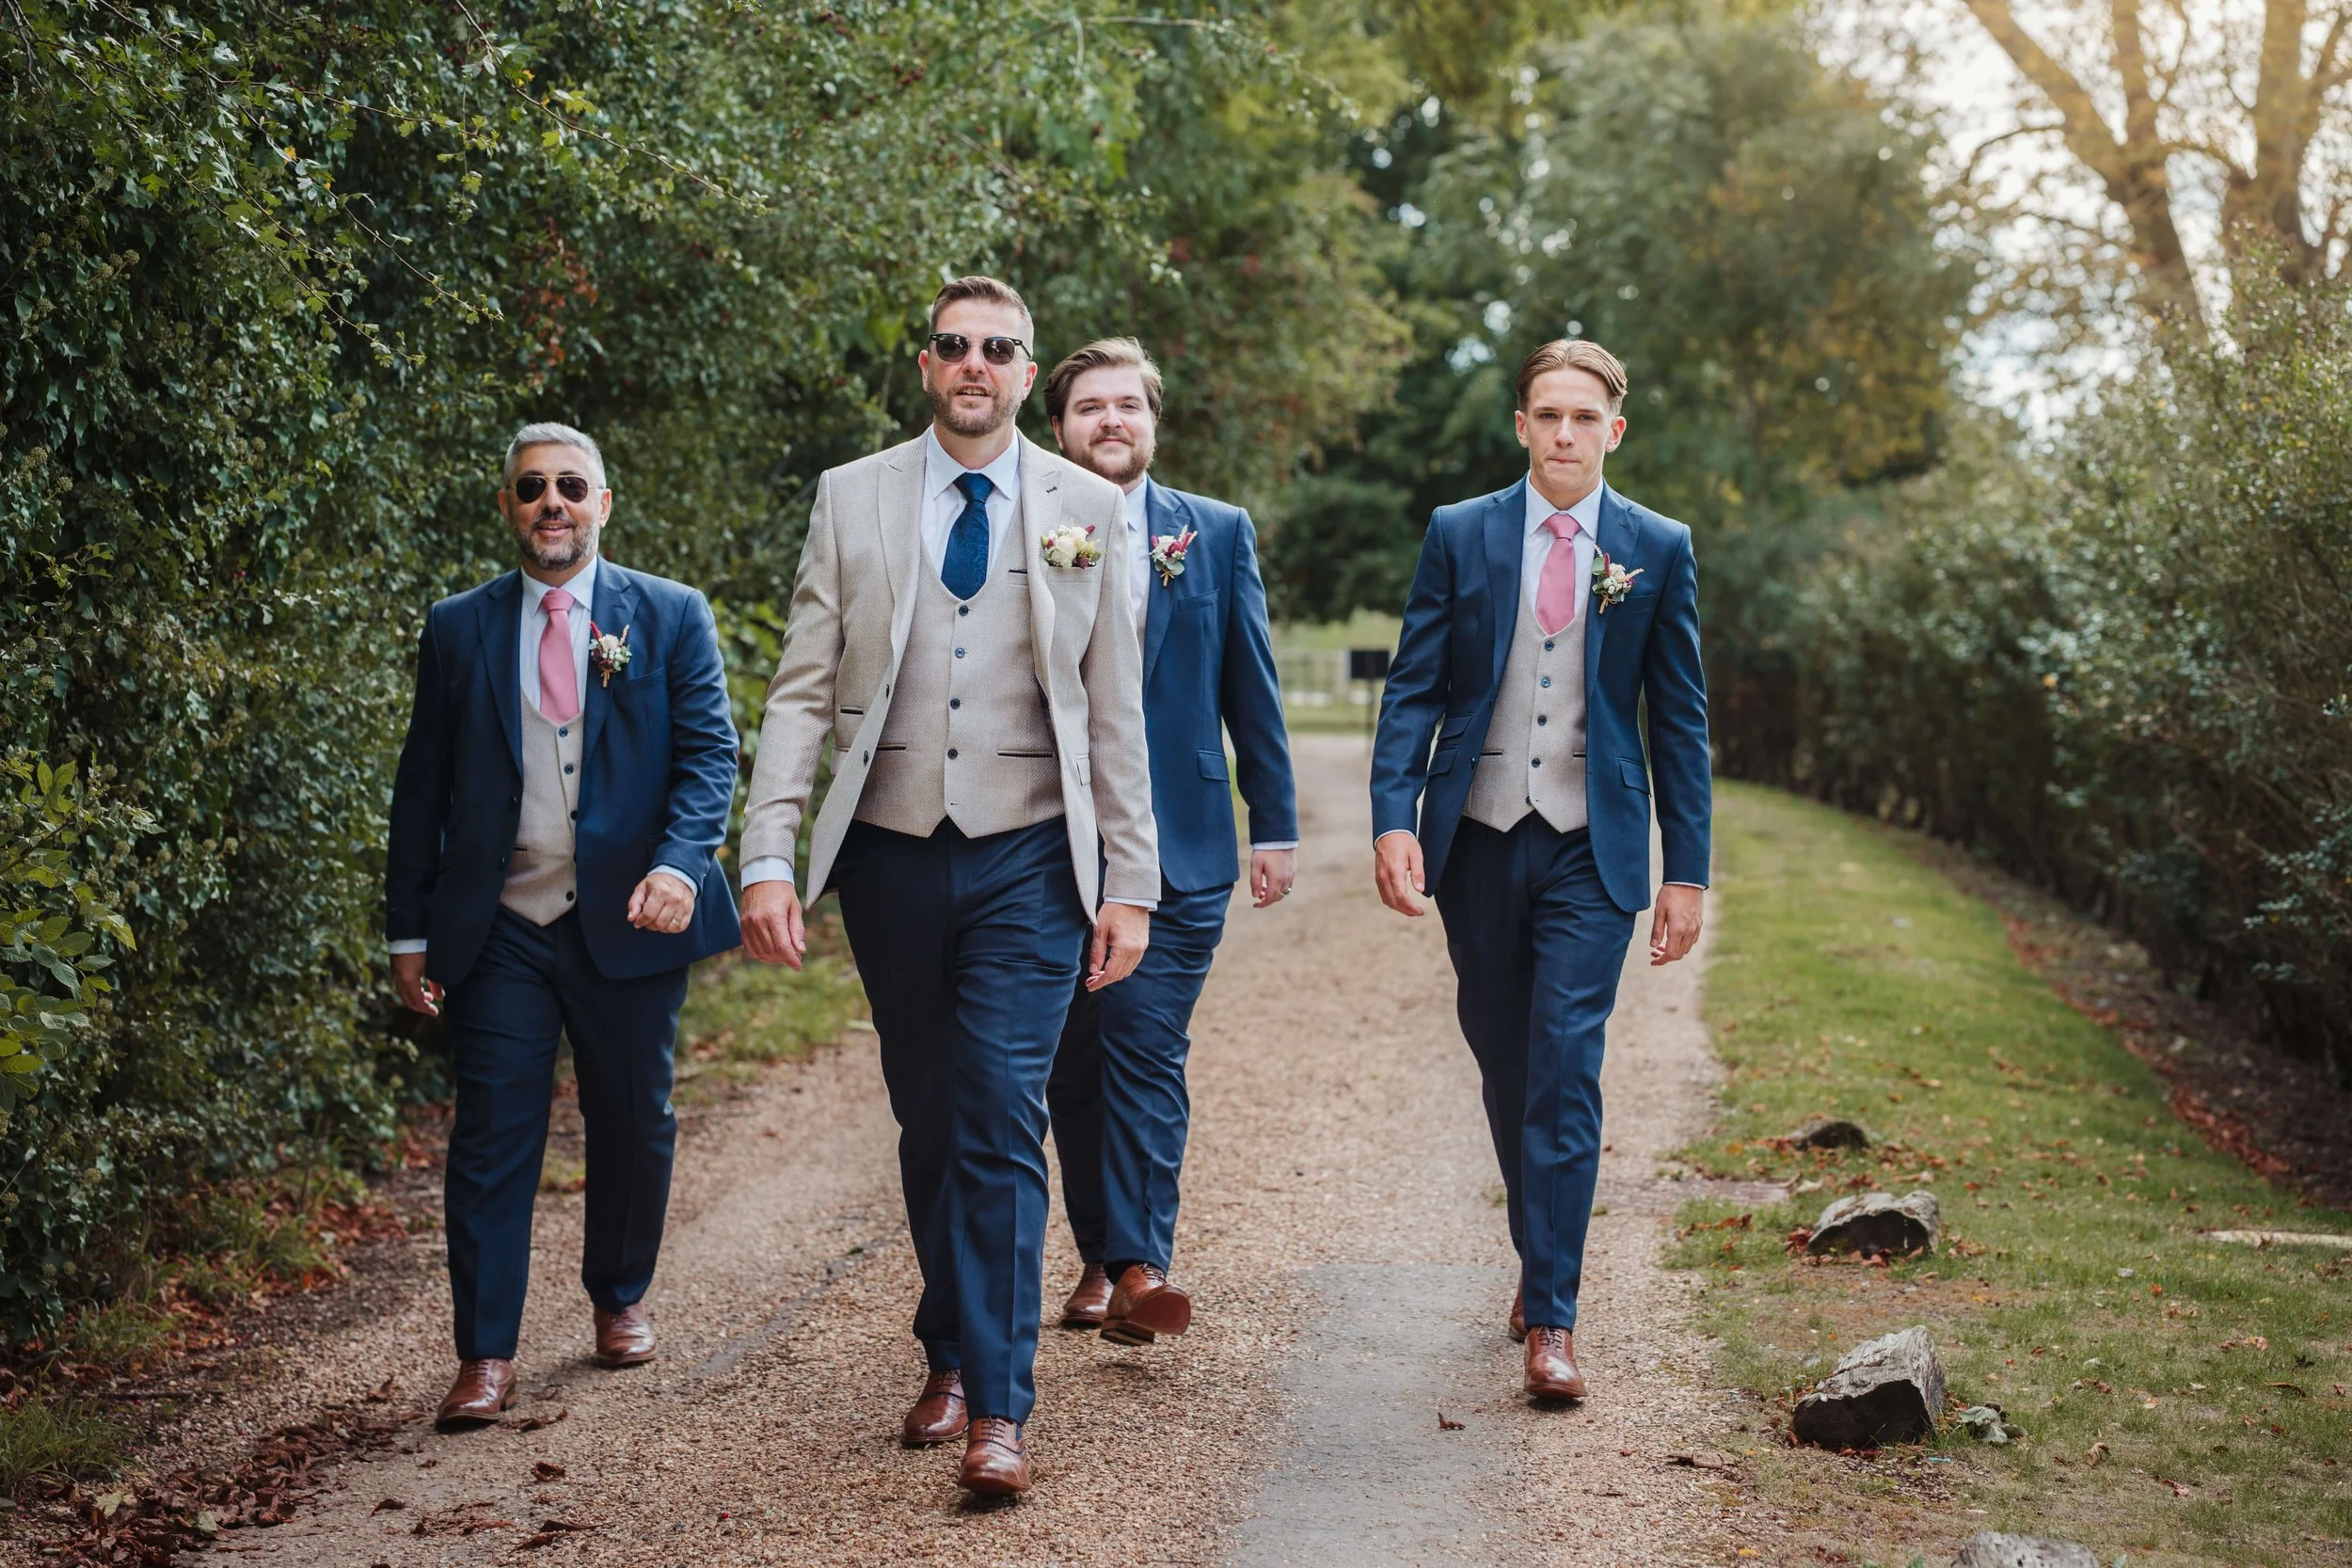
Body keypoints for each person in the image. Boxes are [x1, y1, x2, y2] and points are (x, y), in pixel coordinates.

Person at [734, 277, 1158, 1497]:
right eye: (954, 346)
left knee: (996, 1109)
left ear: (1029, 375)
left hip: (1032, 854)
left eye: (999, 349)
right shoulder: (851, 496)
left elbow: (1116, 708)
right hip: (891, 851)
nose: (975, 363)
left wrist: (1129, 881)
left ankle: (999, 1408)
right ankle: (950, 1349)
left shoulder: (1086, 504)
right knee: (930, 1115)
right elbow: (803, 689)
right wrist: (769, 852)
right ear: (927, 366)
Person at [1368, 340, 1709, 1402]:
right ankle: (1540, 1246)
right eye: (1546, 415)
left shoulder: (1657, 544)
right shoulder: (1460, 533)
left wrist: (1685, 868)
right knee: (1506, 1062)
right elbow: (1413, 685)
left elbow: (1679, 719)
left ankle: (1552, 1316)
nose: (1564, 433)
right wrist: (1392, 817)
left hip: (1588, 844)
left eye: (1583, 416)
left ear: (1616, 428)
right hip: (1475, 834)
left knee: (1563, 1066)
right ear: (1520, 425)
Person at [387, 423, 741, 1430]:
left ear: (603, 503)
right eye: (532, 487)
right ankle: (486, 1353)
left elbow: (710, 756)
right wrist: (405, 931)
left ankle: (618, 1292)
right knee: (493, 1135)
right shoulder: (458, 627)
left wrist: (681, 863)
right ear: (507, 505)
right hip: (501, 922)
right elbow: (422, 790)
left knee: (636, 1118)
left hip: (629, 914)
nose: (552, 502)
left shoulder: (669, 615)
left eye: (570, 486)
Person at [1038, 338, 1296, 1343]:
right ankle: (1102, 1252)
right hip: (1052, 844)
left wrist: (1271, 819)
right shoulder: (1027, 523)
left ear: (1153, 422)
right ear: (1057, 426)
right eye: (1091, 406)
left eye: (1128, 406)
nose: (1111, 420)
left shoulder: (1215, 533)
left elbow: (1253, 688)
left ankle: (1141, 1264)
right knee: (1070, 1061)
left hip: (1183, 843)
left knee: (1143, 1041)